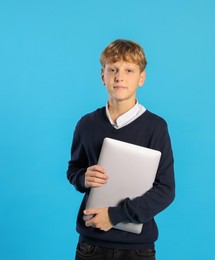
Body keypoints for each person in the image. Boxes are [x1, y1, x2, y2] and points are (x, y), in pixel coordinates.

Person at [67, 39, 175, 260]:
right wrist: (83, 178)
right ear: (102, 76)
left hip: (137, 248)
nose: (119, 76)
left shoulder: (155, 127)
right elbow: (74, 170)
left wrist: (115, 215)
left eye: (128, 70)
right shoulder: (87, 124)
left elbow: (165, 190)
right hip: (91, 245)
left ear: (141, 78)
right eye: (112, 69)